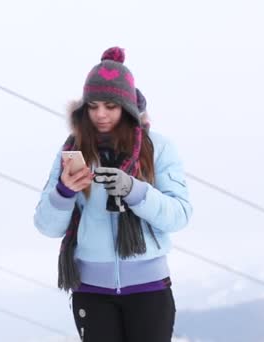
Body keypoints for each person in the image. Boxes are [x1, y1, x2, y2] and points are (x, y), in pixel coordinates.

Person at [34, 47, 192, 342]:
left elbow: (179, 215)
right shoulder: (72, 151)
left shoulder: (158, 148)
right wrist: (64, 192)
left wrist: (135, 191)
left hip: (149, 290)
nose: (100, 114)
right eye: (93, 106)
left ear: (127, 107)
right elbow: (46, 226)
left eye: (110, 105)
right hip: (91, 292)